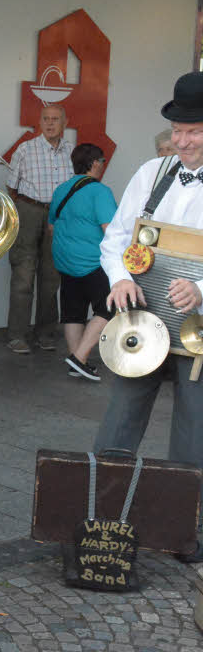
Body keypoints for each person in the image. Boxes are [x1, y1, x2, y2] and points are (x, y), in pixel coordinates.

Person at [93, 72, 203, 563]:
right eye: (177, 131)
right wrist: (119, 277)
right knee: (119, 421)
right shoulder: (151, 173)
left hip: (196, 329)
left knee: (193, 433)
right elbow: (116, 238)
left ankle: (179, 528)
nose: (182, 141)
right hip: (141, 320)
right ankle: (100, 522)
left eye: (194, 131)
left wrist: (199, 288)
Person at [5, 104, 74, 354]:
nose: (50, 123)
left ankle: (46, 333)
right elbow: (11, 188)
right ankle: (17, 335)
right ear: (39, 121)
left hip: (58, 216)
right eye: (45, 119)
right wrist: (27, 210)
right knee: (23, 276)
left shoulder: (71, 152)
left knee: (52, 278)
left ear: (65, 122)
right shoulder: (26, 149)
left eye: (55, 119)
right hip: (29, 211)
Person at [47, 143, 115, 381]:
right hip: (93, 261)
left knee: (73, 312)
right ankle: (79, 357)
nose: (103, 166)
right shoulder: (100, 192)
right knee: (109, 309)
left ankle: (77, 361)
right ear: (95, 163)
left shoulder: (61, 189)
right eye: (102, 161)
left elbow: (51, 226)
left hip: (65, 260)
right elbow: (111, 230)